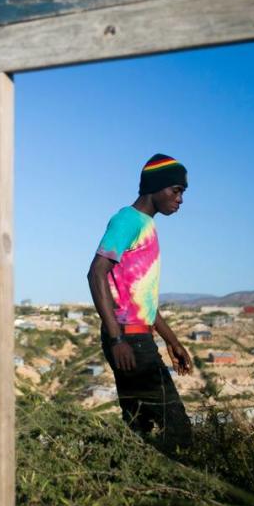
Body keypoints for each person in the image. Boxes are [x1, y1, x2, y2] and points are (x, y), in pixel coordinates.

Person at [87, 153, 194, 451]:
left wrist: (172, 342)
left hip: (136, 336)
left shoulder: (146, 225)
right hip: (129, 341)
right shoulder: (128, 220)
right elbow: (96, 273)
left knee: (139, 429)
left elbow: (143, 301)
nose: (180, 199)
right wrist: (116, 337)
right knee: (179, 432)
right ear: (155, 187)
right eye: (176, 190)